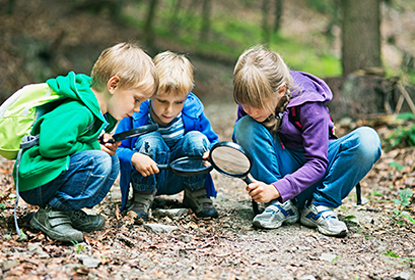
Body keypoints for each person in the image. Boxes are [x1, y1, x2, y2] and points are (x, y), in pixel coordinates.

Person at [232, 46, 382, 237]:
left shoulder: (309, 103)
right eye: (245, 104)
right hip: (280, 172)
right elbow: (246, 147)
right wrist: (218, 156)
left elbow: (318, 163)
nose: (250, 111)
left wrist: (276, 189)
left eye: (257, 105)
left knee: (368, 140)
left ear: (281, 91)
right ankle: (279, 206)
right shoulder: (251, 106)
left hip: (318, 174)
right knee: (245, 126)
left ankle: (320, 206)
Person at [16, 42, 159, 242]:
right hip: (37, 180)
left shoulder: (97, 113)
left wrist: (100, 140)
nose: (137, 109)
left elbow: (80, 140)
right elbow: (51, 145)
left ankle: (66, 211)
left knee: (111, 160)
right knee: (99, 160)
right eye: (136, 99)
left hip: (50, 176)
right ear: (113, 85)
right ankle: (51, 213)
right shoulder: (79, 110)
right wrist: (93, 147)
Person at [116, 51, 220, 222]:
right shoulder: (136, 113)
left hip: (182, 174)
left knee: (196, 138)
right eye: (162, 101)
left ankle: (195, 192)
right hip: (148, 174)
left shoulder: (193, 111)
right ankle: (143, 196)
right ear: (150, 94)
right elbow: (116, 148)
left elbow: (213, 142)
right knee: (150, 140)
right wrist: (133, 157)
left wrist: (211, 154)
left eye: (178, 102)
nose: (169, 110)